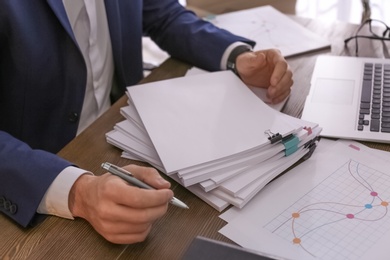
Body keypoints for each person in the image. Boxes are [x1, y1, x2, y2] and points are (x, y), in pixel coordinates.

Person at [0, 0, 293, 244]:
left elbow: (163, 14)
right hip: (35, 177)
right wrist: (76, 192)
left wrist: (236, 57)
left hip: (122, 133)